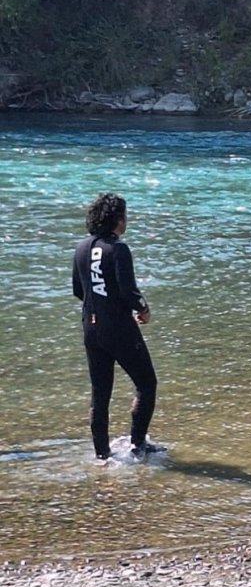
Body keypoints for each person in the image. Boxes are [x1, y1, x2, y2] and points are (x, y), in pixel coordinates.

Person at [71, 193, 158, 460]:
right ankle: (137, 445)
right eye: (125, 216)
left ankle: (101, 456)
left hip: (91, 329)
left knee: (100, 393)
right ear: (117, 219)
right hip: (119, 328)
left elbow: (78, 290)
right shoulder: (118, 248)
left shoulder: (81, 247)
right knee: (146, 383)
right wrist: (143, 309)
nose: (126, 222)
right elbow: (128, 291)